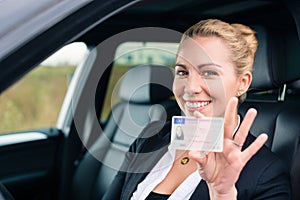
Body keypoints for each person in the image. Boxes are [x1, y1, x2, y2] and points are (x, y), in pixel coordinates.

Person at [103, 19, 291, 199]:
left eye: (209, 73)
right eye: (183, 72)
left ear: (242, 83)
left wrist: (222, 196)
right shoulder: (150, 137)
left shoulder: (266, 173)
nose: (191, 87)